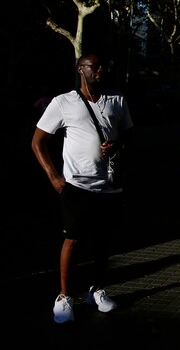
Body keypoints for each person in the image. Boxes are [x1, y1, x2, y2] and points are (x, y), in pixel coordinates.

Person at [31, 53, 134, 324]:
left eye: (103, 65)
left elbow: (129, 135)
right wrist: (54, 177)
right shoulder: (64, 102)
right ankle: (65, 296)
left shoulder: (117, 100)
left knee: (103, 242)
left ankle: (97, 291)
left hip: (109, 186)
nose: (101, 70)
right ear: (81, 69)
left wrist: (118, 145)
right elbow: (37, 142)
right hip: (77, 185)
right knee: (72, 240)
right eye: (95, 66)